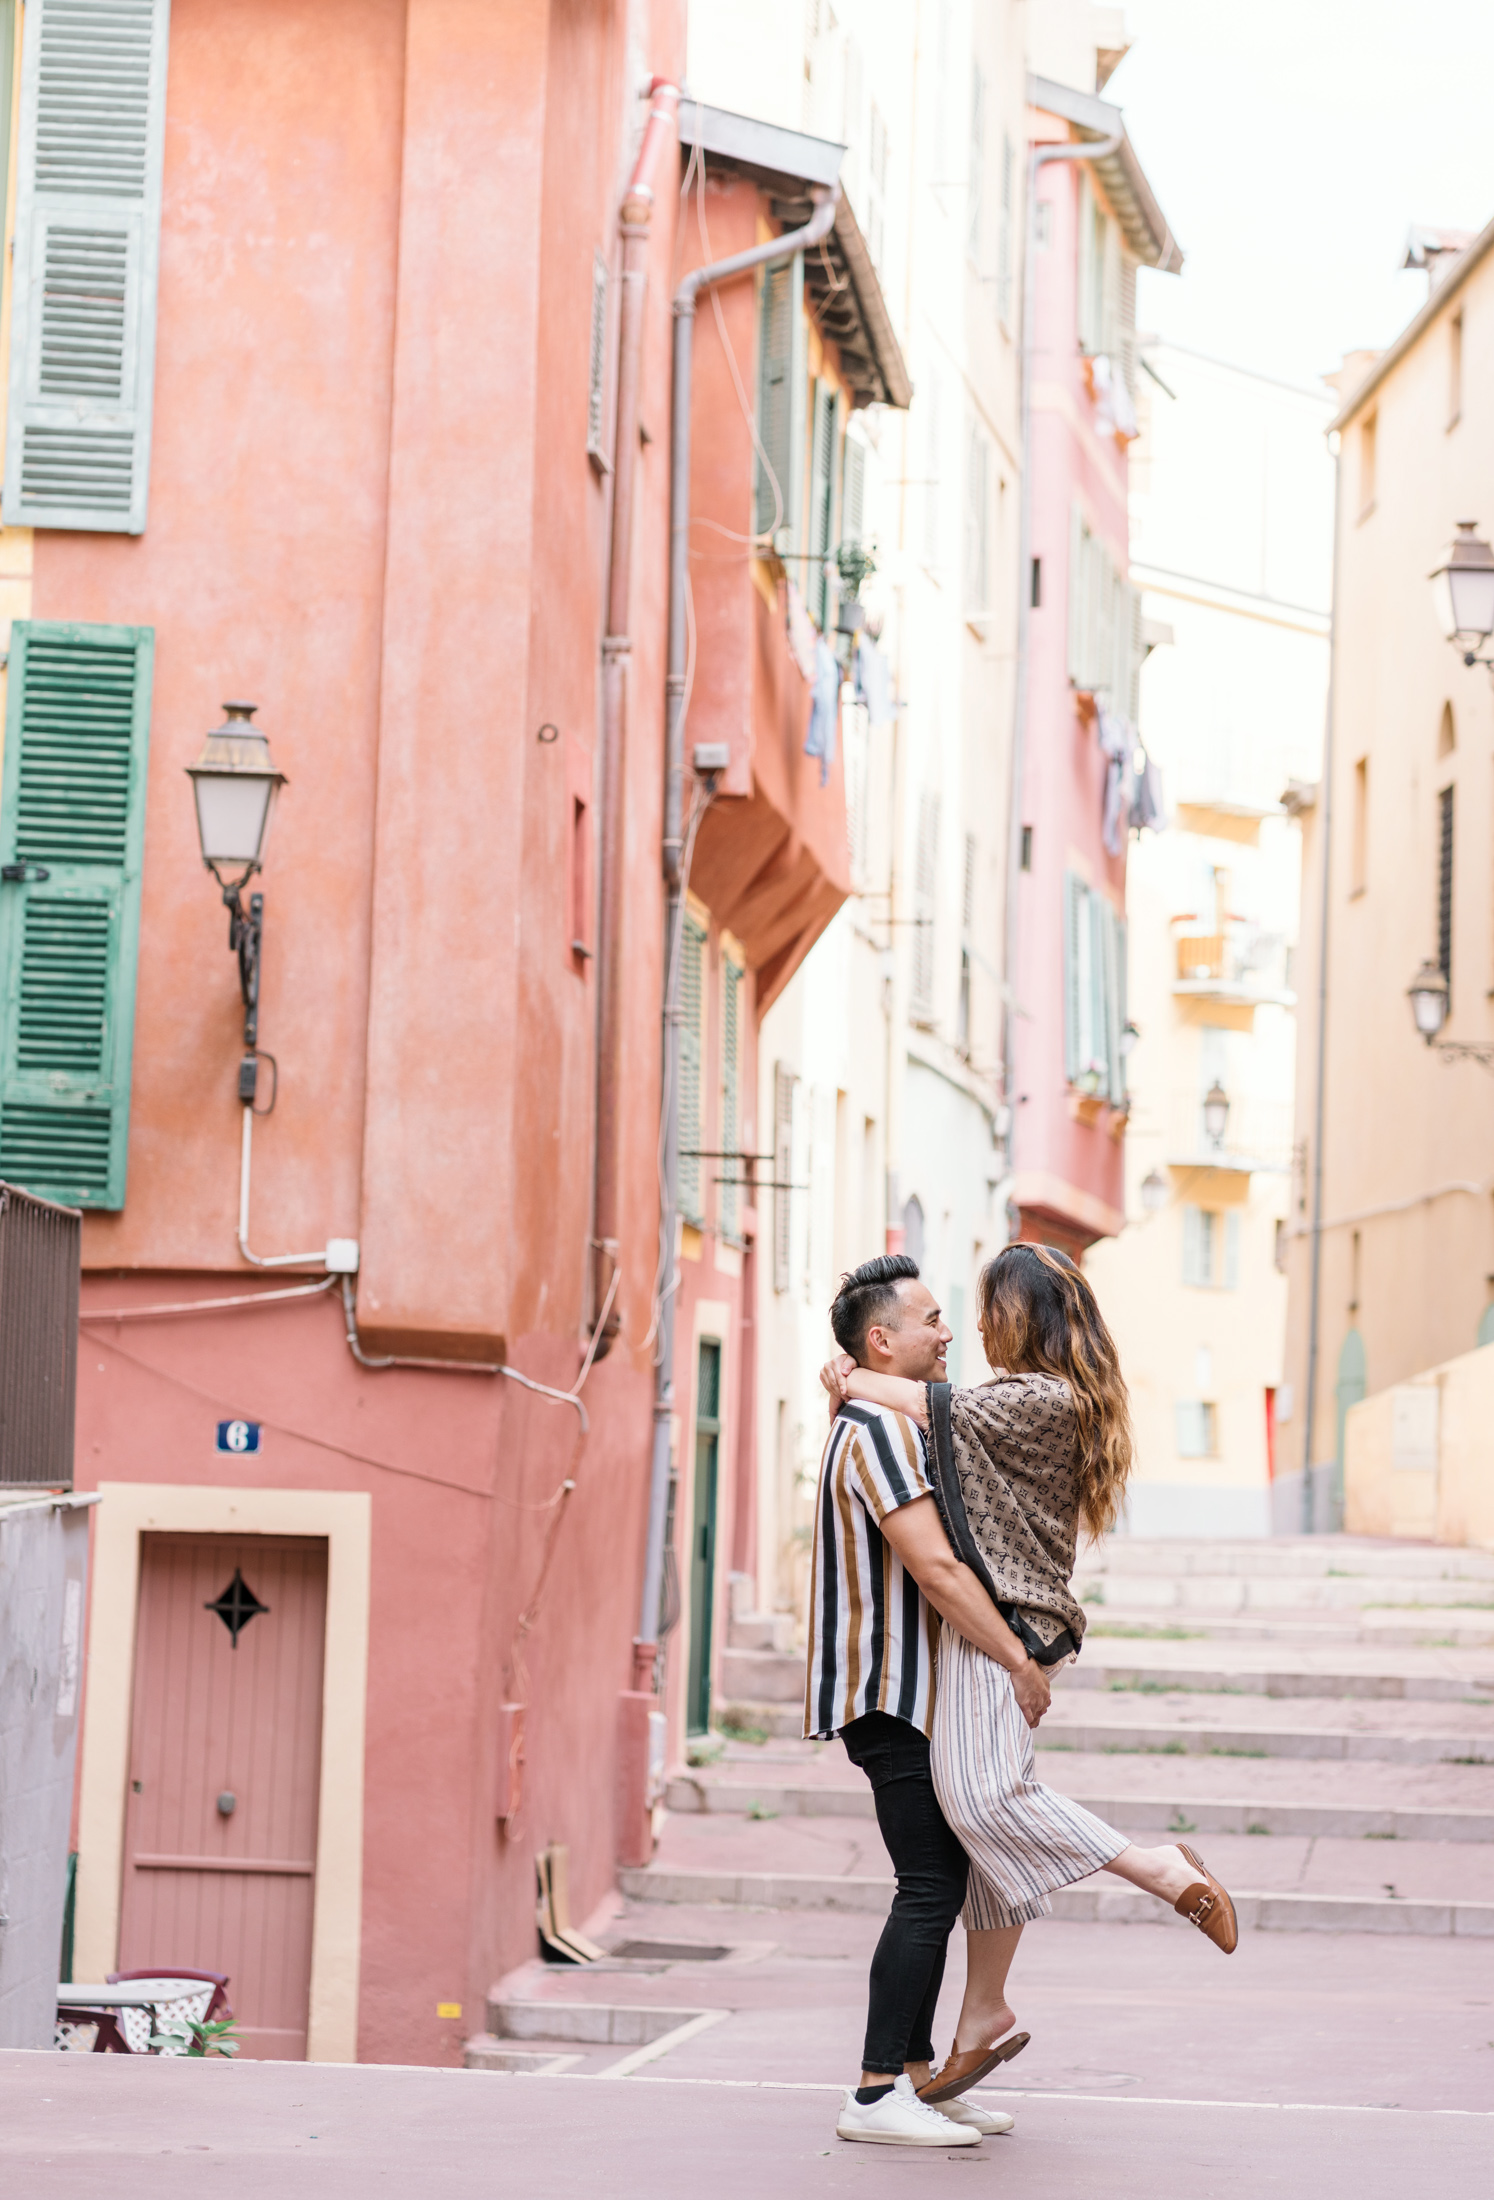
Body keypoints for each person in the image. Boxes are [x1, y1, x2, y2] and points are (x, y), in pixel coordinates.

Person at [822, 1241, 1238, 2106]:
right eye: (940, 1317)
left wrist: (847, 1378)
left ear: (1021, 1315)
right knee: (980, 1830)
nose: (966, 1328)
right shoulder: (1028, 1397)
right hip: (993, 1633)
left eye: (977, 1310)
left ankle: (1159, 1868)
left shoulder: (1034, 1399)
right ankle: (980, 2015)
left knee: (986, 1802)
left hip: (1004, 1629)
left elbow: (924, 1407)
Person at [807, 1253, 1039, 2150]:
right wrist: (1018, 1660)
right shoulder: (875, 1429)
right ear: (882, 1339)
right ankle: (873, 2093)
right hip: (889, 1693)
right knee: (929, 1884)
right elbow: (936, 1567)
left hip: (914, 1693)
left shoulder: (886, 1417)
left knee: (939, 1881)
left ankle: (915, 2079)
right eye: (934, 1319)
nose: (949, 1333)